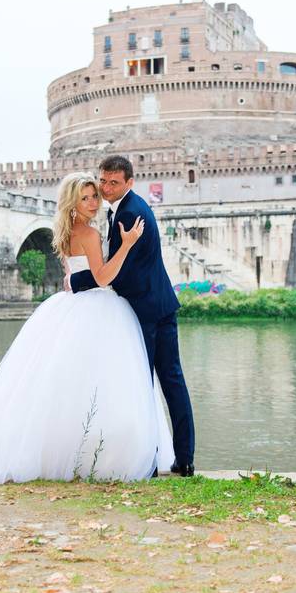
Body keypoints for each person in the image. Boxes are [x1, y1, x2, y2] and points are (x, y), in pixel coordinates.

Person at [0, 172, 173, 484]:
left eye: (95, 196)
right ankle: (105, 454)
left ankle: (62, 453)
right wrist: (127, 245)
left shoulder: (63, 232)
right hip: (98, 306)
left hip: (70, 306)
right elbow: (103, 277)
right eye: (86, 198)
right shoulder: (90, 235)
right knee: (106, 384)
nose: (94, 203)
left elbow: (70, 278)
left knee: (64, 385)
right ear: (72, 203)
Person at [68, 155, 196, 476]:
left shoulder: (128, 214)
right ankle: (184, 459)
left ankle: (149, 463)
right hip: (162, 304)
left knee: (143, 386)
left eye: (114, 182)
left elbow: (115, 274)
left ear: (129, 182)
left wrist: (76, 279)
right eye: (103, 181)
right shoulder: (132, 207)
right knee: (172, 382)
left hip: (144, 311)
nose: (106, 188)